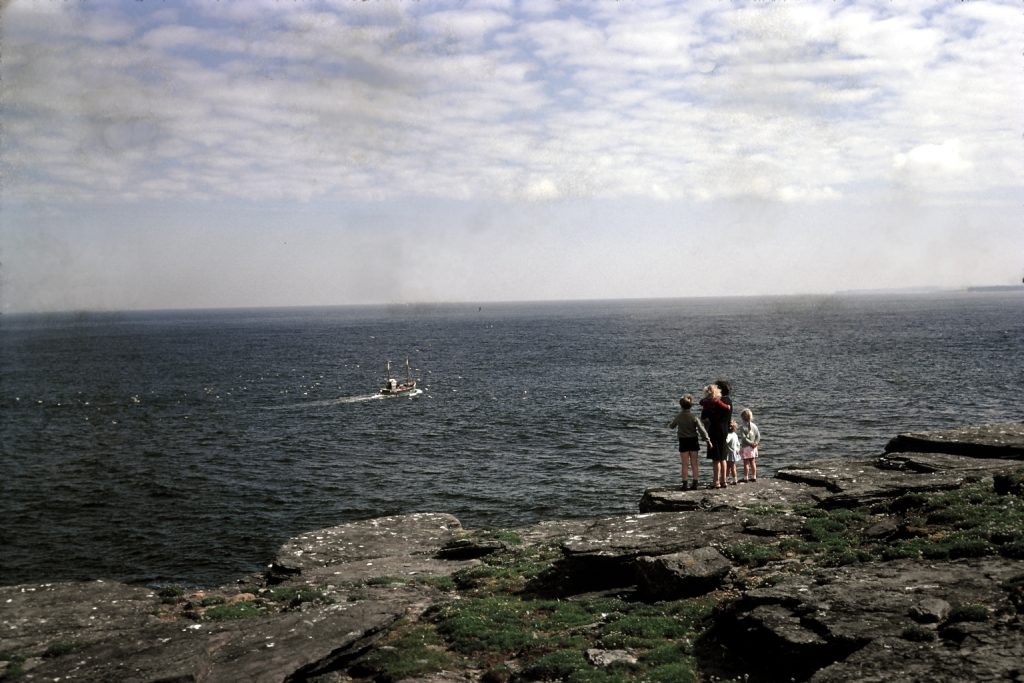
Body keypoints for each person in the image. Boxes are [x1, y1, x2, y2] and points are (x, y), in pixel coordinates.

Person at [668, 394, 712, 490]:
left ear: (681, 405)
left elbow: (671, 426)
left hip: (683, 441)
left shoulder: (679, 416)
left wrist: (671, 424)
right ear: (691, 405)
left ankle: (684, 484)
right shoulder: (694, 417)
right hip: (693, 440)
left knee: (684, 463)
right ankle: (695, 483)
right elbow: (702, 430)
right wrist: (708, 440)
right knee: (694, 463)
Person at [700, 383, 732, 488]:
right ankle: (724, 481)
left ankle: (716, 481)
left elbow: (703, 417)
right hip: (724, 430)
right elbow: (727, 408)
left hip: (714, 431)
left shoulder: (708, 404)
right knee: (723, 457)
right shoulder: (726, 402)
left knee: (715, 458)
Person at [739, 408, 761, 482]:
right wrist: (755, 443)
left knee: (746, 463)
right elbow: (758, 436)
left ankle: (746, 477)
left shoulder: (742, 427)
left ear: (742, 417)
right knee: (753, 462)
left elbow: (744, 438)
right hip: (753, 447)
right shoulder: (754, 426)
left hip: (746, 447)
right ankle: (754, 476)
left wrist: (751, 443)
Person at [724, 420, 741, 485]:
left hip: (729, 453)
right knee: (731, 467)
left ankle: (732, 479)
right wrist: (738, 449)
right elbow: (738, 444)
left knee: (730, 467)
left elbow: (726, 441)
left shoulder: (729, 435)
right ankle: (729, 479)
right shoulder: (735, 434)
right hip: (734, 452)